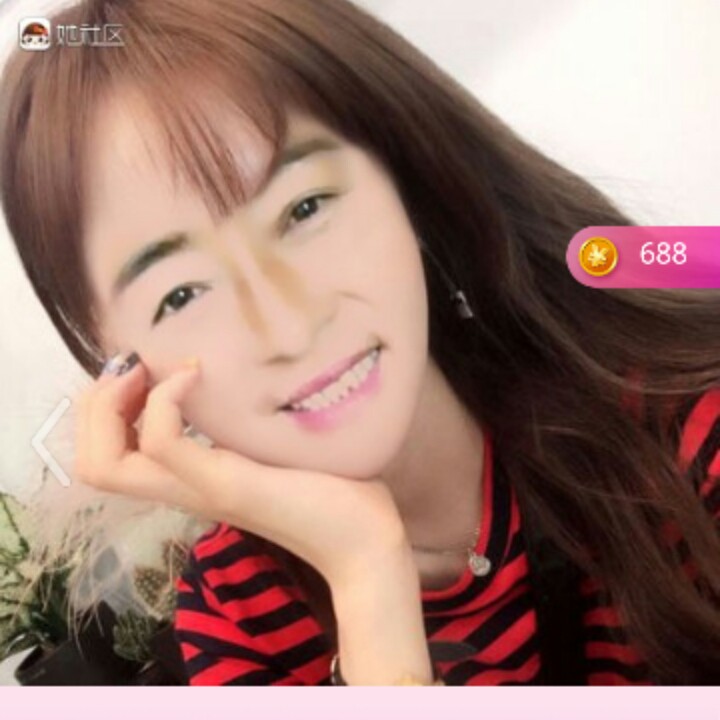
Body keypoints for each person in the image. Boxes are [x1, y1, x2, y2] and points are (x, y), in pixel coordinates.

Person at [1, 0, 719, 686]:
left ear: (409, 182)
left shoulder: (677, 424)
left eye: (304, 208)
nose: (289, 324)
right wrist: (366, 571)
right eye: (182, 294)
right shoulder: (234, 616)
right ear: (125, 370)